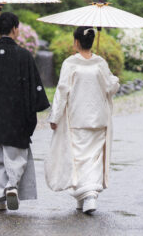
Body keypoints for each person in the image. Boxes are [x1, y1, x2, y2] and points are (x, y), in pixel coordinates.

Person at [0, 12, 50, 211]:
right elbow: (34, 86)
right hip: (16, 113)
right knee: (15, 154)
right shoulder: (24, 56)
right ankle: (11, 185)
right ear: (15, 29)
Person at [45, 26, 120, 214]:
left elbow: (62, 92)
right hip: (98, 117)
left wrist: (55, 116)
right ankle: (84, 197)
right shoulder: (100, 63)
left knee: (78, 159)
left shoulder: (70, 63)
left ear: (76, 41)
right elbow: (111, 86)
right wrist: (114, 80)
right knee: (93, 158)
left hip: (77, 118)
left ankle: (89, 196)